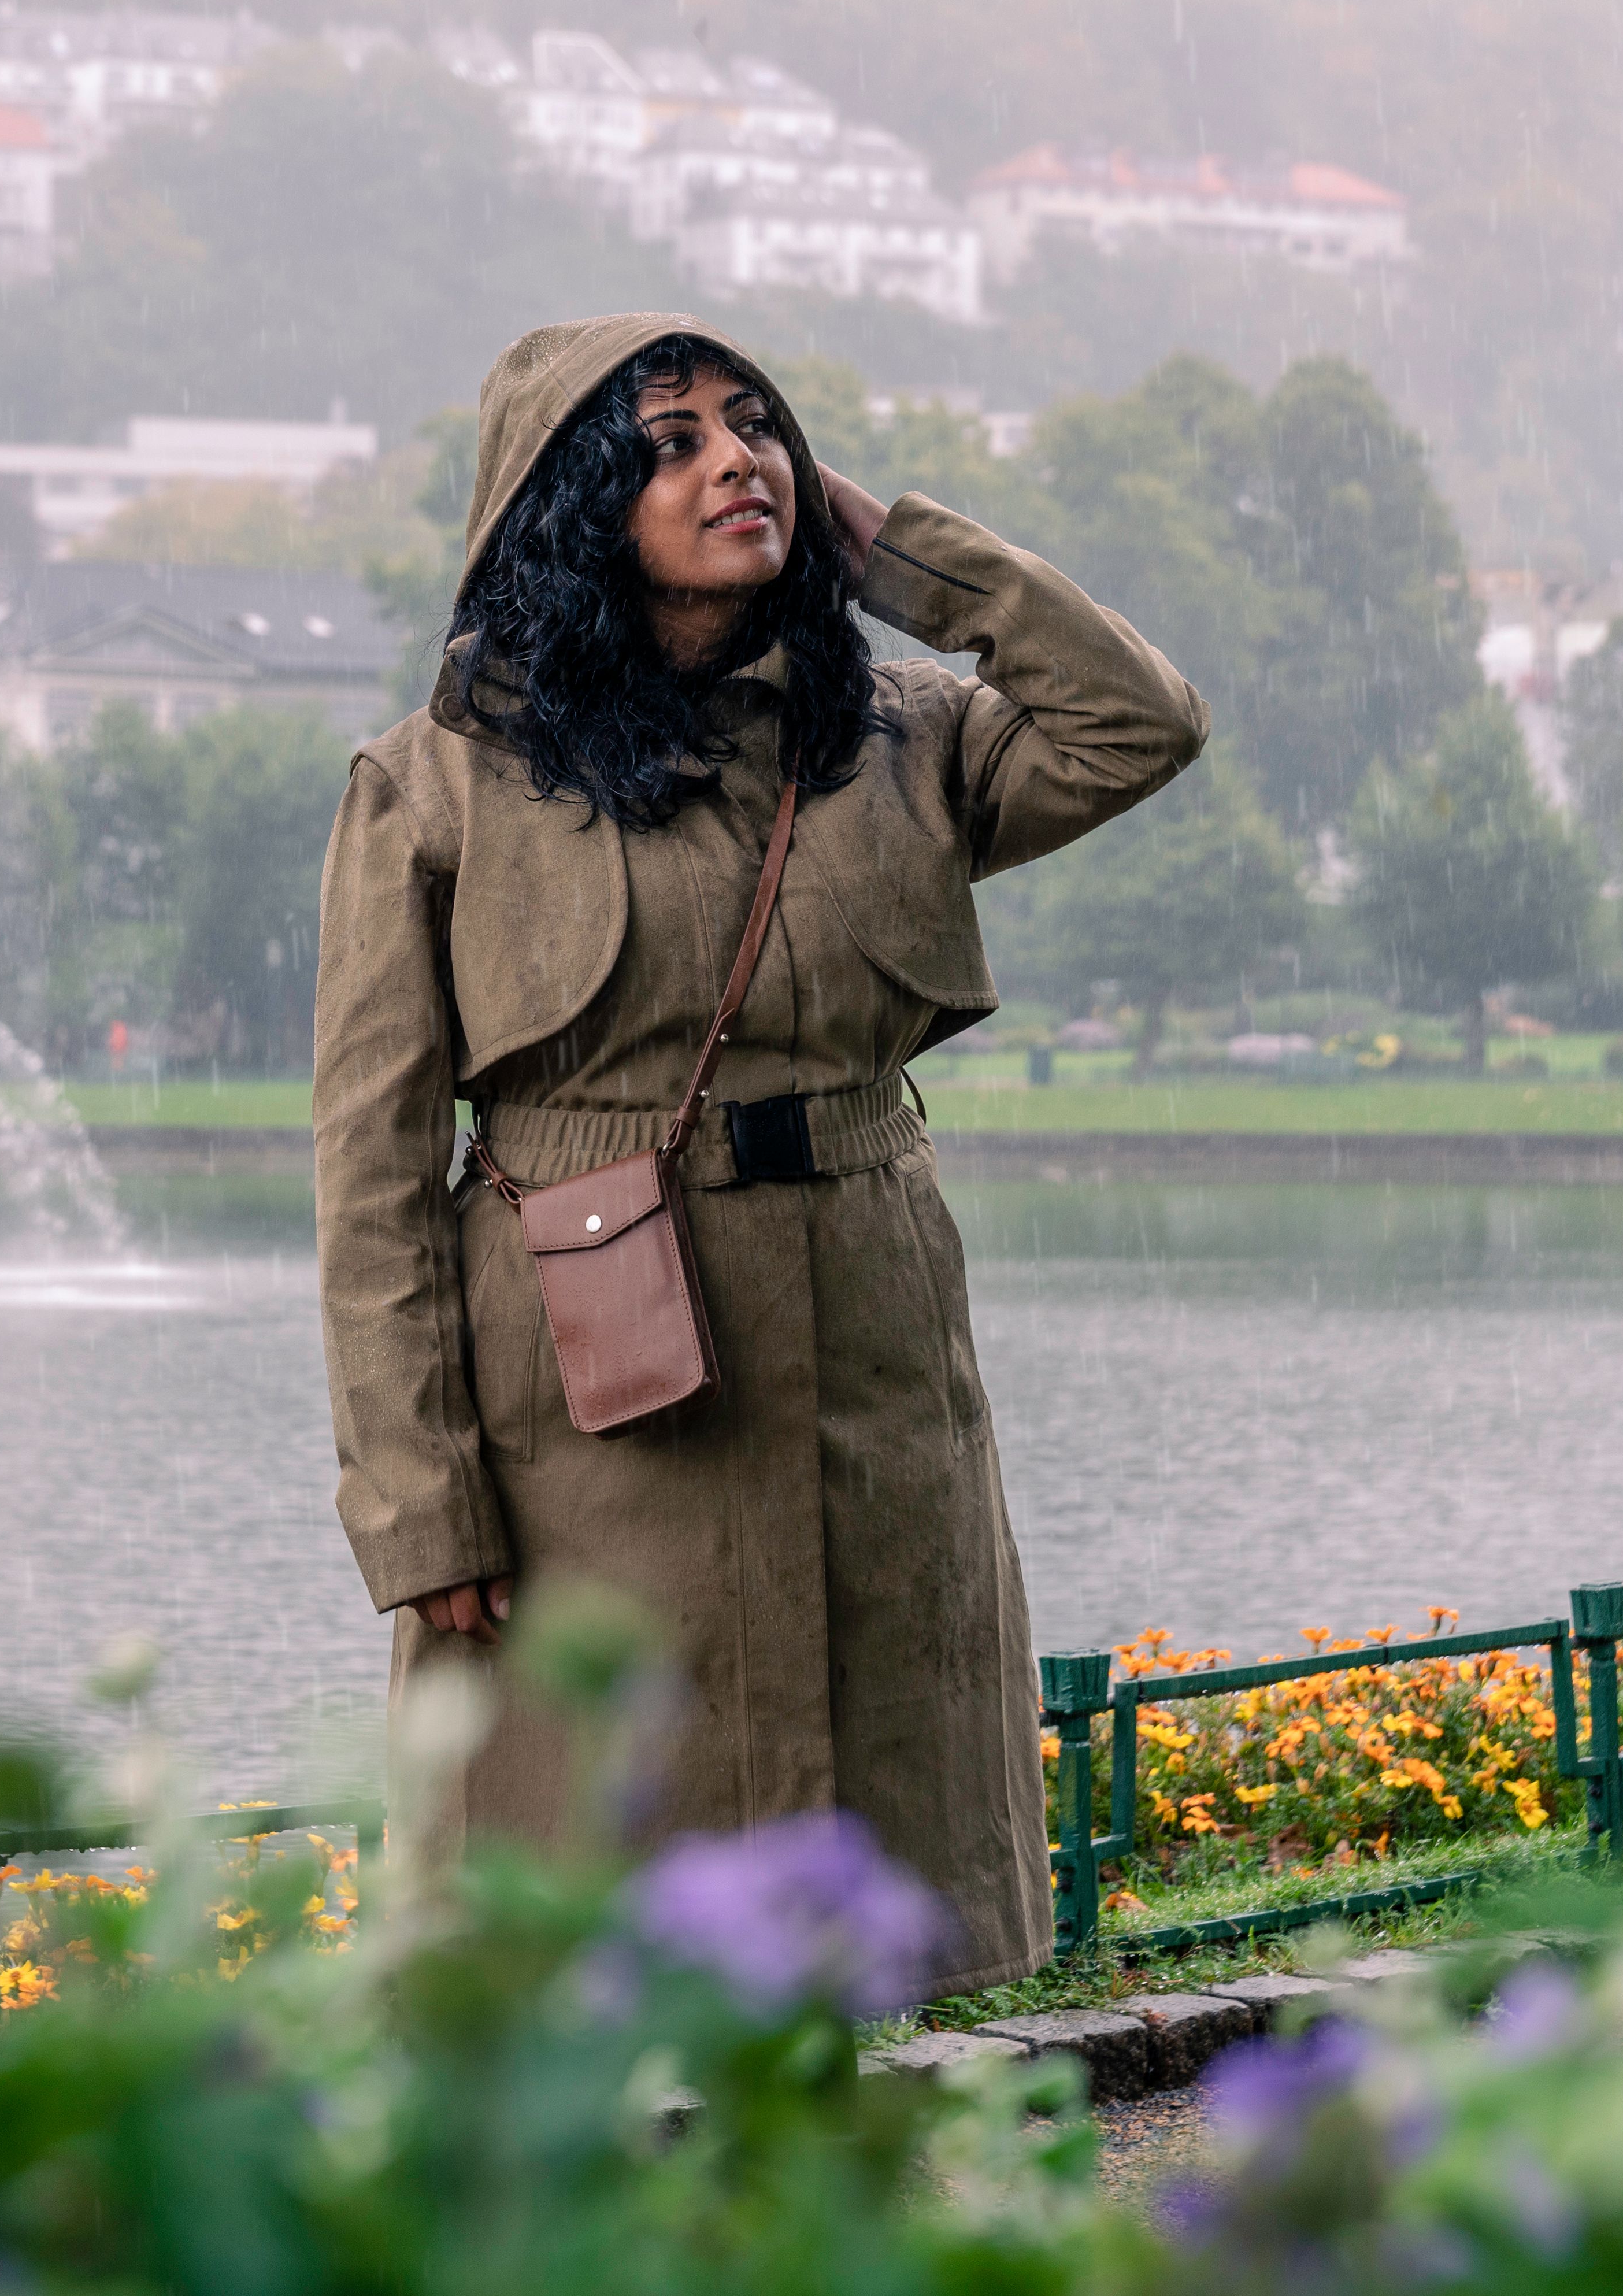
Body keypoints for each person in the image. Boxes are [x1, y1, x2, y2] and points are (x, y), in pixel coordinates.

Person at [312, 313, 1208, 1994]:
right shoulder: (438, 790)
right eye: (670, 441)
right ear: (574, 507)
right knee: (595, 1886)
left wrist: (902, 556)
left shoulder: (898, 738)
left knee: (895, 1878)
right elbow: (368, 1179)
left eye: (758, 426)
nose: (736, 458)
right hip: (584, 1429)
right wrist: (417, 1505)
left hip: (878, 1382)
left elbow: (1138, 723)